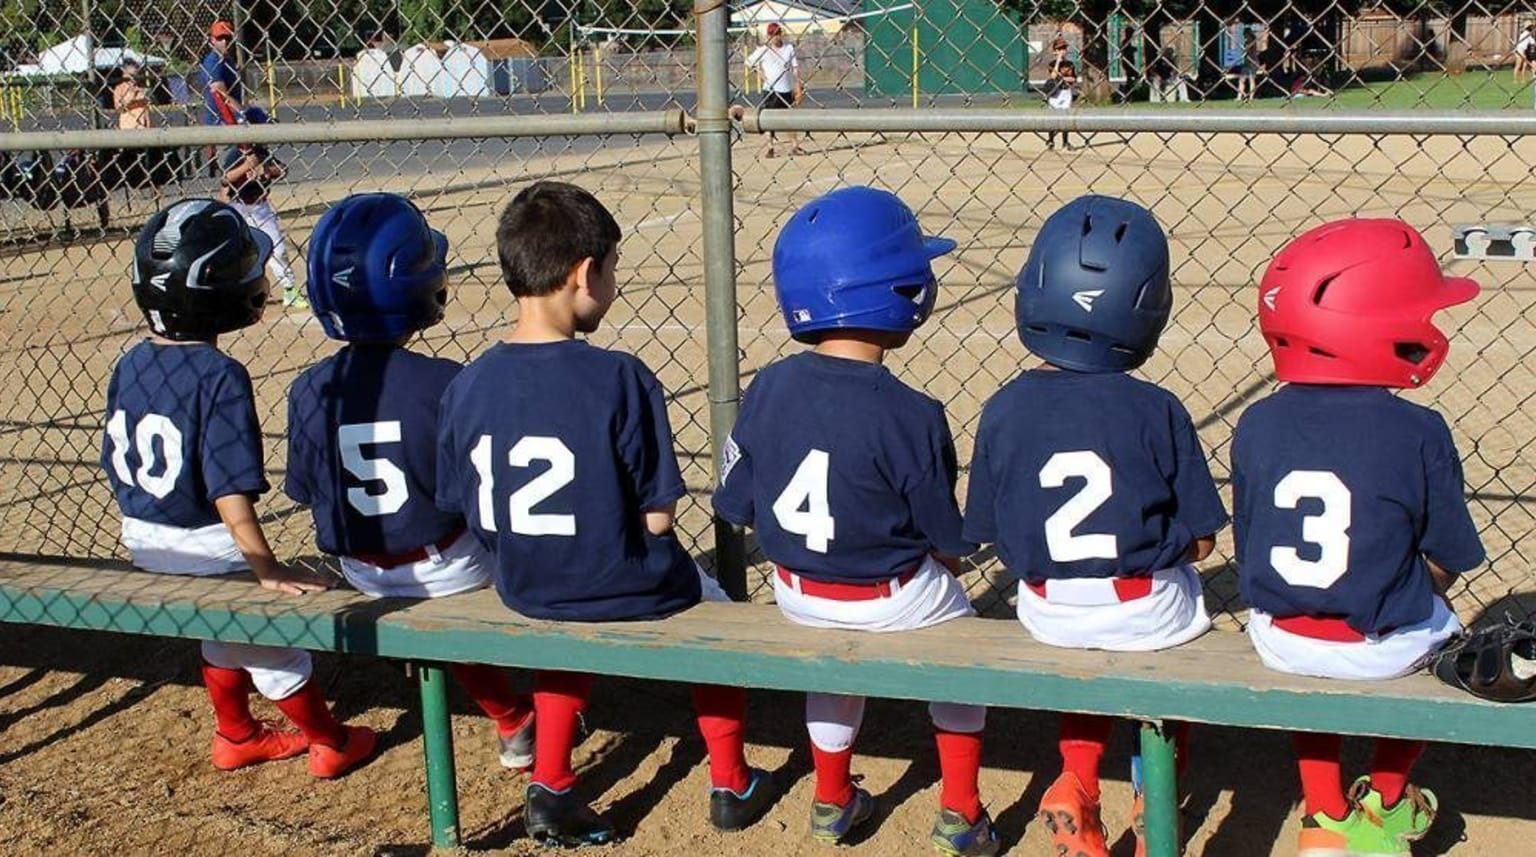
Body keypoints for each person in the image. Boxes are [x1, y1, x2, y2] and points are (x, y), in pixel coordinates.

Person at [434, 181, 776, 847]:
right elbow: (658, 519)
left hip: (524, 581)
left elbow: (467, 506)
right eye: (611, 268)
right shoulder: (620, 375)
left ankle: (552, 781)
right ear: (583, 272)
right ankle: (731, 779)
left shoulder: (466, 383)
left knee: (571, 606)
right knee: (718, 612)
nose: (611, 282)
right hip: (625, 581)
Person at [712, 186, 996, 856]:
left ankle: (832, 797)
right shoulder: (913, 411)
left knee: (830, 664)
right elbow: (946, 539)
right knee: (963, 654)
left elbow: (734, 503)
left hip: (794, 591)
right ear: (894, 292)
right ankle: (961, 810)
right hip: (888, 597)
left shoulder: (768, 386)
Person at [963, 195, 1228, 857]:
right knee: (1170, 645)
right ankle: (1151, 797)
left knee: (1090, 647)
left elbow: (989, 528)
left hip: (1047, 606)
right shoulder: (1158, 408)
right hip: (1142, 608)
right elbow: (1202, 539)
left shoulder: (1003, 407)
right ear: (1148, 312)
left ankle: (1077, 777)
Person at [1233, 218, 1485, 857]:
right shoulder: (1419, 431)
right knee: (1441, 623)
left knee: (1320, 663)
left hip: (1279, 638)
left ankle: (1325, 811)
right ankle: (1390, 800)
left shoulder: (1256, 422)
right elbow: (1452, 556)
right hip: (1378, 650)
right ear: (1378, 326)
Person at [103, 198, 376, 779]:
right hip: (208, 544)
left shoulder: (129, 363)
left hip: (144, 535)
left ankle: (237, 733)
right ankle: (329, 741)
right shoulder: (219, 374)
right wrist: (264, 565)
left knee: (221, 634)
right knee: (272, 647)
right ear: (217, 294)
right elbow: (229, 488)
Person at [286, 192, 535, 770]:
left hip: (360, 568)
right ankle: (513, 717)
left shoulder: (308, 388)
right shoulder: (447, 381)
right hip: (443, 565)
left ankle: (447, 661)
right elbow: (473, 495)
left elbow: (305, 491)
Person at [221, 106, 303, 308]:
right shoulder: (235, 154)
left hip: (261, 208)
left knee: (278, 249)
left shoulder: (261, 152)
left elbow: (283, 169)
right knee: (237, 254)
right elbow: (225, 180)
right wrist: (246, 167)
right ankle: (232, 292)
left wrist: (265, 170)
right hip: (238, 208)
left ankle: (290, 289)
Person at [745, 22, 803, 158]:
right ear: (768, 36)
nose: (775, 37)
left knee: (790, 118)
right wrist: (761, 75)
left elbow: (795, 67)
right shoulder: (764, 50)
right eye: (772, 35)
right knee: (768, 119)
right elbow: (748, 62)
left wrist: (798, 85)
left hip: (786, 89)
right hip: (770, 90)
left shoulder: (788, 48)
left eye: (777, 34)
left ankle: (794, 145)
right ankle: (770, 147)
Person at [202, 20, 243, 126]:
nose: (225, 42)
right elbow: (222, 96)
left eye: (228, 38)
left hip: (231, 117)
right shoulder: (213, 62)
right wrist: (243, 113)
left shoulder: (228, 59)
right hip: (221, 120)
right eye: (220, 38)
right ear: (212, 40)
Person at [1044, 60, 1078, 151]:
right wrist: (1058, 61)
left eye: (1063, 49)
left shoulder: (1070, 64)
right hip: (1055, 94)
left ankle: (1065, 142)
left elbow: (1073, 79)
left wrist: (1061, 77)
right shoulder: (1052, 63)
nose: (1062, 51)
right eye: (1059, 49)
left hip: (1065, 94)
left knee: (1065, 119)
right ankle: (1051, 141)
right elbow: (1053, 77)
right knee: (1052, 120)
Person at [113, 58, 151, 130]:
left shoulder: (140, 87)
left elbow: (147, 108)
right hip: (128, 125)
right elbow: (119, 108)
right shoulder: (119, 88)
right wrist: (131, 98)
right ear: (124, 70)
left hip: (143, 125)